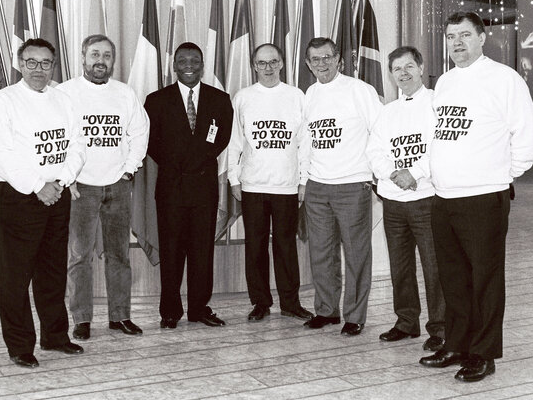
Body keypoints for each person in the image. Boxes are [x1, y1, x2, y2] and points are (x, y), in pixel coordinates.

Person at [419, 11, 533, 382]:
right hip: (443, 197)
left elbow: (528, 139)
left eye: (465, 36)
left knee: (485, 279)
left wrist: (501, 177)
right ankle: (457, 344)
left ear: (482, 38)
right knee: (453, 277)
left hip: (483, 198)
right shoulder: (444, 82)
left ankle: (484, 353)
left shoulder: (505, 79)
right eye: (451, 36)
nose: (457, 43)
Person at [0, 38, 87, 369]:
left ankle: (56, 336)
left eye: (46, 63)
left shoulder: (64, 99)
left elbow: (77, 145)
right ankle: (19, 345)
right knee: (16, 275)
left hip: (57, 194)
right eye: (32, 62)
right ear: (20, 64)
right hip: (20, 196)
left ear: (53, 66)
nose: (38, 70)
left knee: (53, 270)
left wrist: (61, 181)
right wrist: (37, 185)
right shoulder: (5, 100)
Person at [57, 34, 149, 341]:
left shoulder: (124, 93)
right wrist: (66, 177)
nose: (101, 61)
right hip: (81, 187)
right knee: (79, 255)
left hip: (117, 186)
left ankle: (120, 316)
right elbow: (58, 137)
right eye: (95, 54)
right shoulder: (65, 93)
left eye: (107, 56)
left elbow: (140, 132)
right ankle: (81, 319)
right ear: (82, 56)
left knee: (118, 255)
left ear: (112, 60)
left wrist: (128, 170)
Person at [144, 42, 233, 329]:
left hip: (204, 188)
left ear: (203, 64)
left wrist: (196, 160)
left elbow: (220, 139)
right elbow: (152, 144)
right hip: (171, 188)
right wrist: (183, 162)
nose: (189, 65)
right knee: (171, 251)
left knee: (202, 251)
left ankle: (199, 308)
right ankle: (170, 310)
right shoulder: (155, 100)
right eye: (183, 61)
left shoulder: (220, 99)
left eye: (195, 60)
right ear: (174, 66)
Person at [299, 37, 382, 335]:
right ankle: (326, 310)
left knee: (356, 254)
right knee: (321, 252)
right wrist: (303, 181)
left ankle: (355, 315)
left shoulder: (360, 91)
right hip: (318, 186)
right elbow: (307, 141)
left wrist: (372, 175)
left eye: (327, 58)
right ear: (308, 64)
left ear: (339, 60)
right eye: (315, 60)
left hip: (352, 185)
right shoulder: (309, 94)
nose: (321, 64)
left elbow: (380, 132)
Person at [366, 46, 445, 352]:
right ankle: (406, 322)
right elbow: (374, 151)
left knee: (434, 267)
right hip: (394, 200)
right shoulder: (387, 112)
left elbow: (441, 146)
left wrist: (415, 173)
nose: (403, 73)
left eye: (409, 66)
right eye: (397, 69)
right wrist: (393, 174)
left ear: (421, 67)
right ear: (391, 74)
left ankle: (439, 328)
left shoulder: (437, 103)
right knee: (400, 266)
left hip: (427, 198)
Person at [228, 43, 312, 323]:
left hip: (286, 186)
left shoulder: (296, 96)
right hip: (252, 185)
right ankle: (260, 302)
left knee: (286, 246)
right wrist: (232, 178)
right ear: (254, 65)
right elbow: (234, 142)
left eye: (273, 62)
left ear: (281, 64)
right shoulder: (243, 97)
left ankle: (290, 302)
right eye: (262, 63)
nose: (267, 68)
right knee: (255, 246)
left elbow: (305, 143)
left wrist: (303, 181)